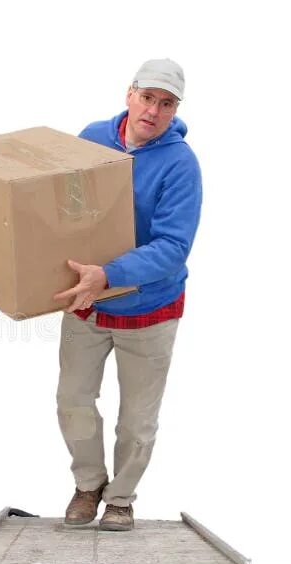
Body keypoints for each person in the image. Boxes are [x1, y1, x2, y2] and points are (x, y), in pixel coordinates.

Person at [52, 59, 202, 531]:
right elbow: (59, 209)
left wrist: (110, 274)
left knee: (136, 419)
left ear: (174, 109)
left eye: (167, 103)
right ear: (129, 94)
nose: (154, 110)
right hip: (87, 304)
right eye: (148, 97)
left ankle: (120, 498)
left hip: (150, 309)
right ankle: (88, 484)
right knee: (72, 399)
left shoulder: (180, 164)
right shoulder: (91, 138)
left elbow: (172, 248)